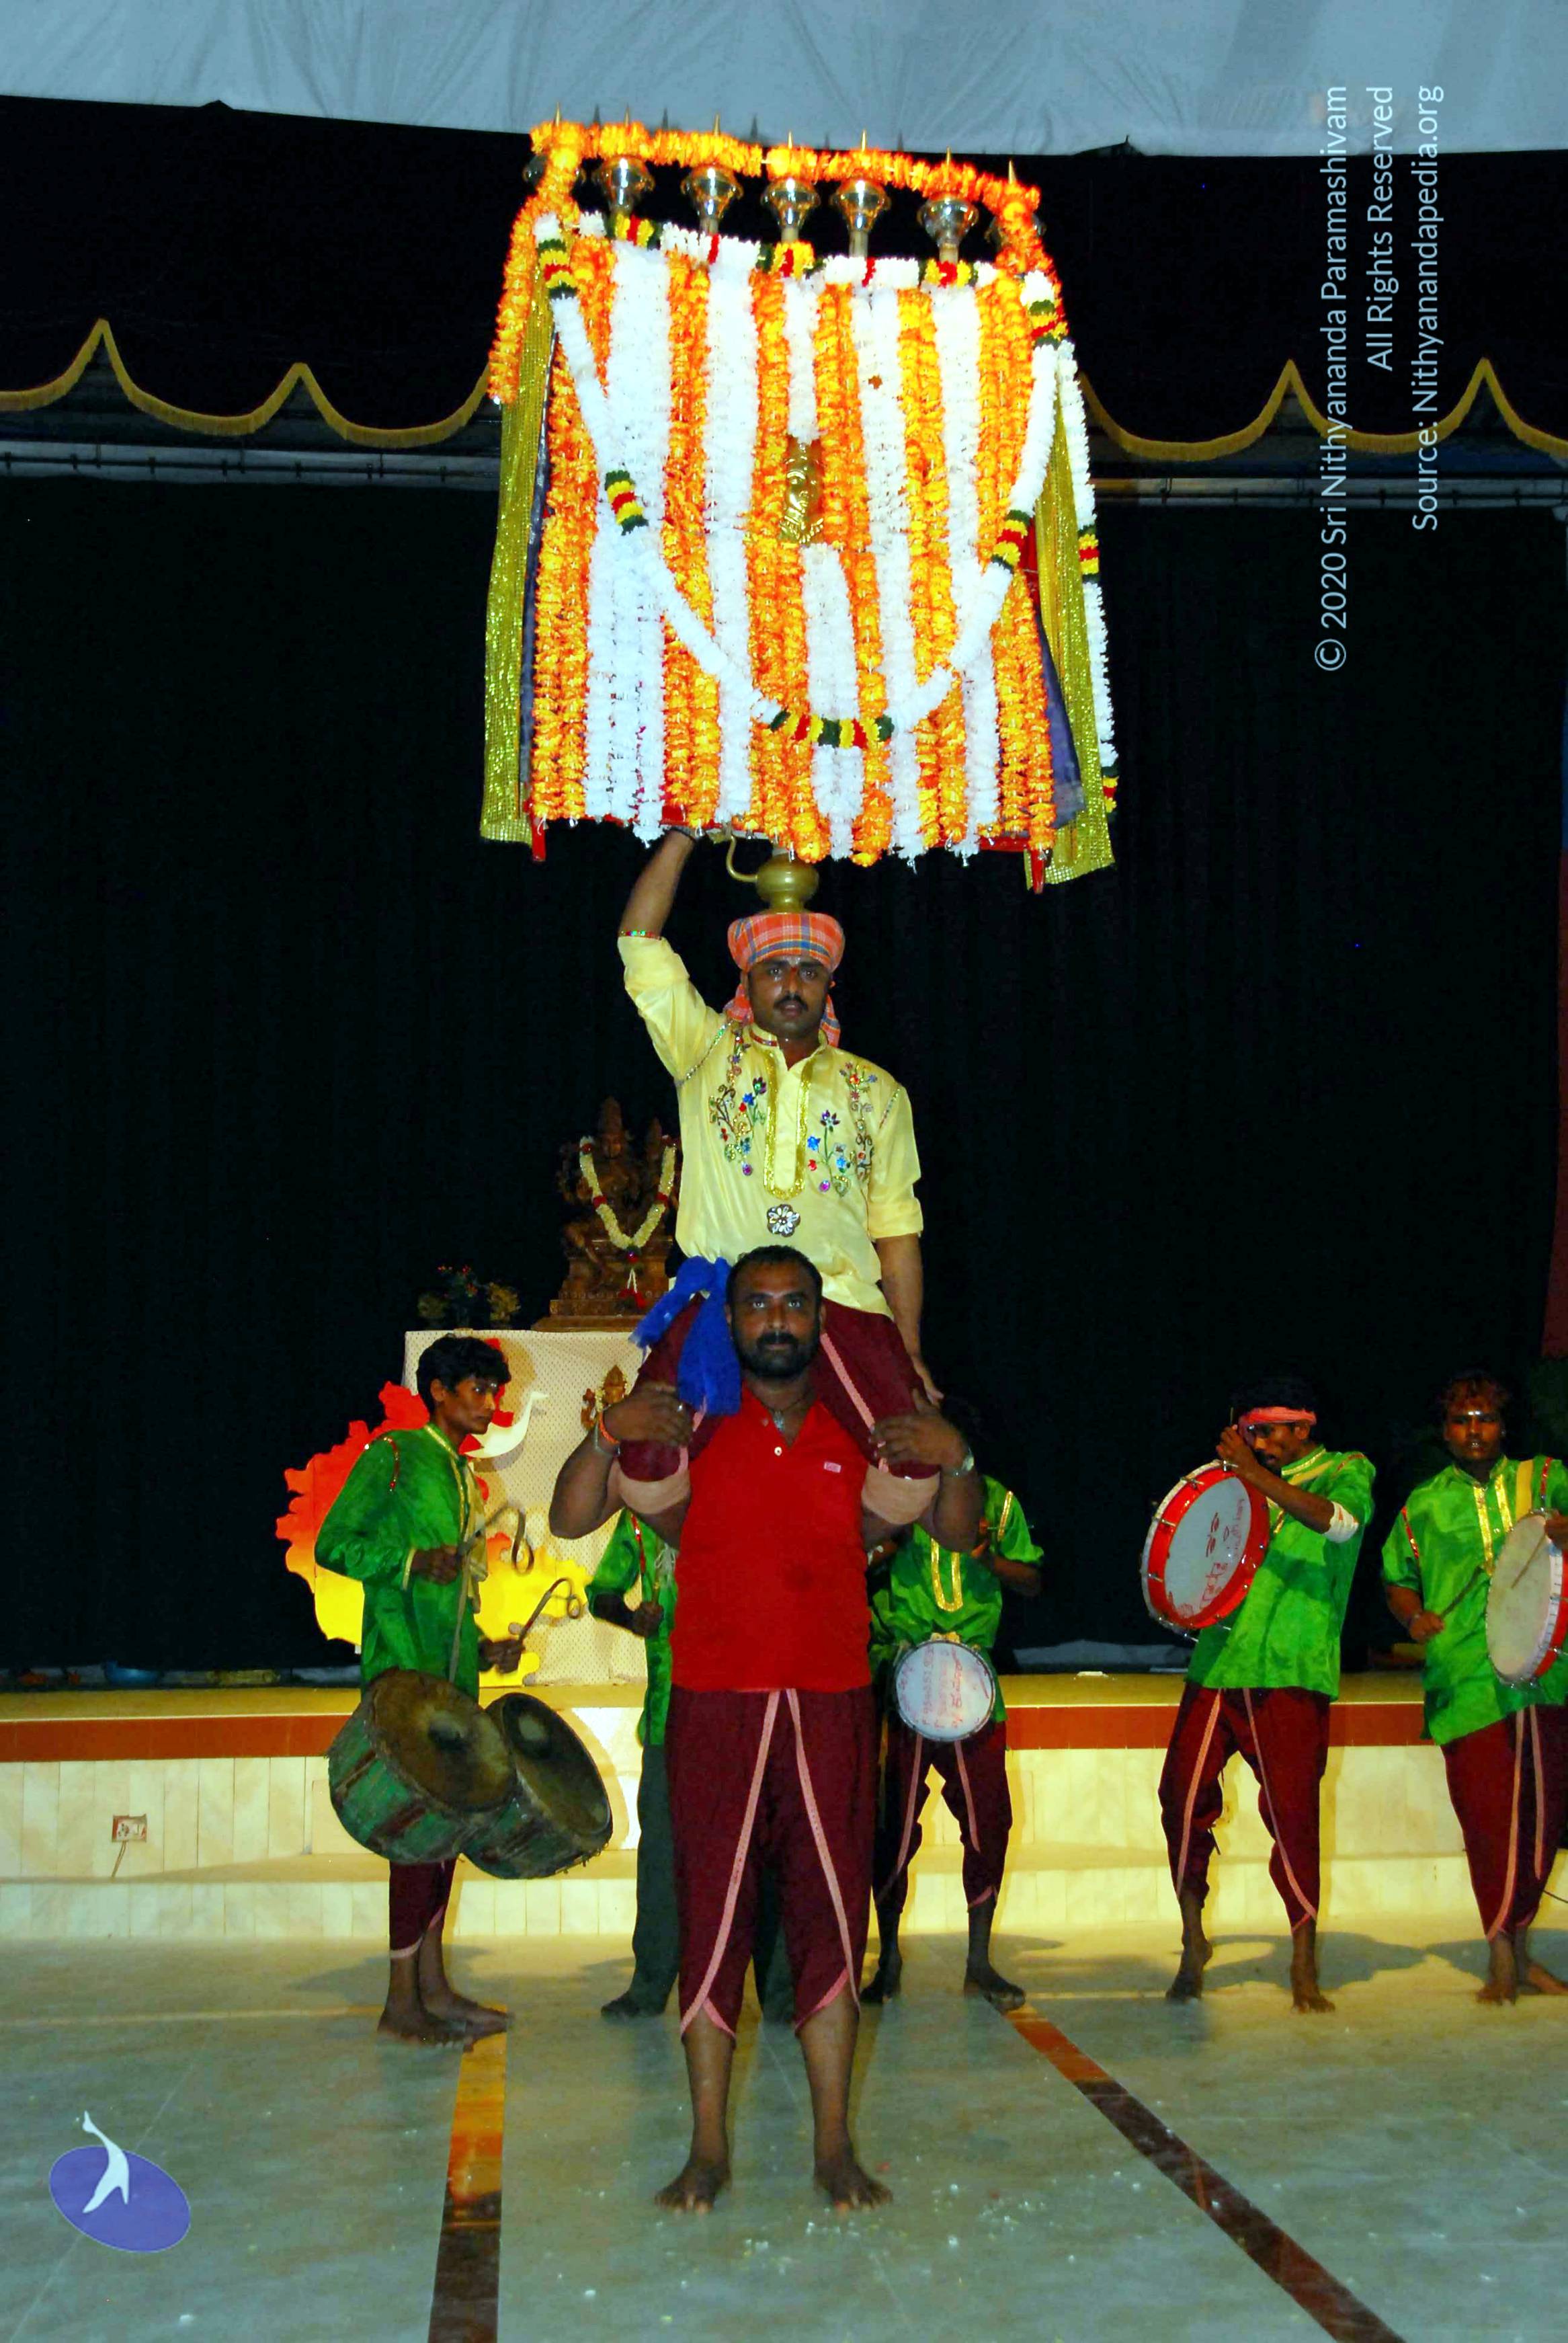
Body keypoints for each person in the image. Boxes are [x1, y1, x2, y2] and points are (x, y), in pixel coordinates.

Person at [551, 1245, 983, 2213]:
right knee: (711, 1922)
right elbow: (571, 1518)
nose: (776, 1319)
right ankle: (706, 2148)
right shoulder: (690, 1425)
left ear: (821, 1320)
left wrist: (956, 1454)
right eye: (756, 1303)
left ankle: (833, 2146)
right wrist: (607, 1434)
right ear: (730, 1318)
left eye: (794, 1303)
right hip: (714, 1703)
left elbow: (954, 1531)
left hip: (831, 1702)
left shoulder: (862, 1431)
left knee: (834, 1921)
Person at [610, 830, 937, 1530]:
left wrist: (908, 1348)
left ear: (828, 985)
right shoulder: (705, 1051)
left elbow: (897, 1232)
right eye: (775, 969)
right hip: (722, 1296)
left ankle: (837, 1558)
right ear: (748, 982)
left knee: (915, 1460)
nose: (792, 984)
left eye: (808, 971)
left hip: (842, 1299)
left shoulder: (876, 1092)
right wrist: (685, 834)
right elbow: (638, 939)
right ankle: (711, 1558)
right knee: (645, 1459)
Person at [317, 1334, 526, 2045]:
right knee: (414, 1840)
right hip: (403, 1676)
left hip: (452, 1682)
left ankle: (433, 1990)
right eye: (477, 1389)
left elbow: (453, 1592)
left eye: (494, 1392)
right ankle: (399, 2004)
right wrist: (409, 1561)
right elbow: (334, 1544)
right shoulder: (396, 1454)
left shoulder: (466, 1475)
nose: (490, 1403)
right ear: (437, 1390)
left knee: (445, 1837)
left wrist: (486, 1645)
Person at [1157, 1376, 1374, 2014]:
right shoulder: (1236, 1480)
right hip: (1218, 1663)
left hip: (1290, 1666)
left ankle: (1303, 1959)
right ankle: (1192, 1938)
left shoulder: (1345, 1469)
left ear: (1302, 1427)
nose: (1257, 1442)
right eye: (1249, 1432)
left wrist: (1250, 1473)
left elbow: (1339, 1526)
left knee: (1293, 1816)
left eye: (1267, 1431)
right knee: (1179, 1800)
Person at [1382, 1371, 1568, 2003]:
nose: (1473, 1430)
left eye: (1484, 1417)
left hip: (1545, 1670)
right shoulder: (1424, 1503)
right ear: (1444, 1431)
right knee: (1487, 1818)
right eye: (1460, 1420)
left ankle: (1518, 1947)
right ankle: (1501, 1954)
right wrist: (1413, 1617)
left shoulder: (1544, 1479)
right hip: (1464, 1676)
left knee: (1540, 1816)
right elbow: (1395, 1576)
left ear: (1502, 1424)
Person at [588, 1509, 794, 2024]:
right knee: (662, 1855)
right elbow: (602, 1592)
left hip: (744, 1707)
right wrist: (631, 1618)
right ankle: (649, 1984)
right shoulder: (642, 1516)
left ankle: (778, 1991)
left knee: (763, 1848)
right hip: (669, 1718)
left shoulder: (740, 1500)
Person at [864, 1446, 1043, 2012]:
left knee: (988, 1821)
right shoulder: (896, 1494)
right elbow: (854, 1559)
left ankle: (978, 1962)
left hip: (973, 1680)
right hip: (906, 1674)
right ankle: (887, 1958)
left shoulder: (998, 1502)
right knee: (891, 1822)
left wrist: (988, 1556)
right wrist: (886, 1540)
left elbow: (1032, 1581)